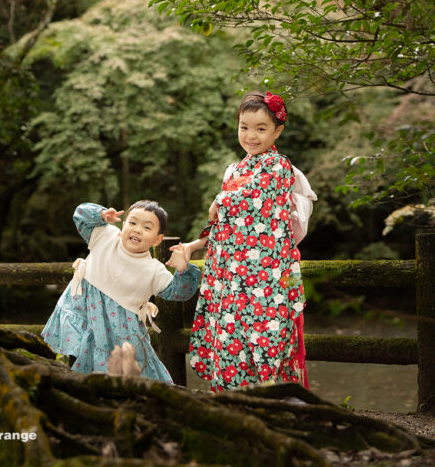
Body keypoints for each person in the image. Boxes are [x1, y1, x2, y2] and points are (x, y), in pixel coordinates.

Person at [177, 91, 316, 391]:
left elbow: (254, 202)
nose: (251, 136)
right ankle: (234, 407)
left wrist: (219, 201)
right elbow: (224, 225)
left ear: (278, 131)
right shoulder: (236, 169)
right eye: (244, 127)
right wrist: (193, 245)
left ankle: (270, 409)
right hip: (230, 275)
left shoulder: (279, 167)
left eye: (261, 128)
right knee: (230, 340)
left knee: (267, 339)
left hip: (266, 277)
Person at [41, 199, 201, 383]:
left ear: (157, 239)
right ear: (123, 225)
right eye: (132, 223)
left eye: (147, 227)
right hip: (84, 312)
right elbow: (79, 214)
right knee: (78, 364)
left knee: (121, 377)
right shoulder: (105, 235)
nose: (137, 229)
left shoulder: (153, 270)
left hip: (119, 331)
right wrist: (100, 215)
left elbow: (178, 292)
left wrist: (183, 270)